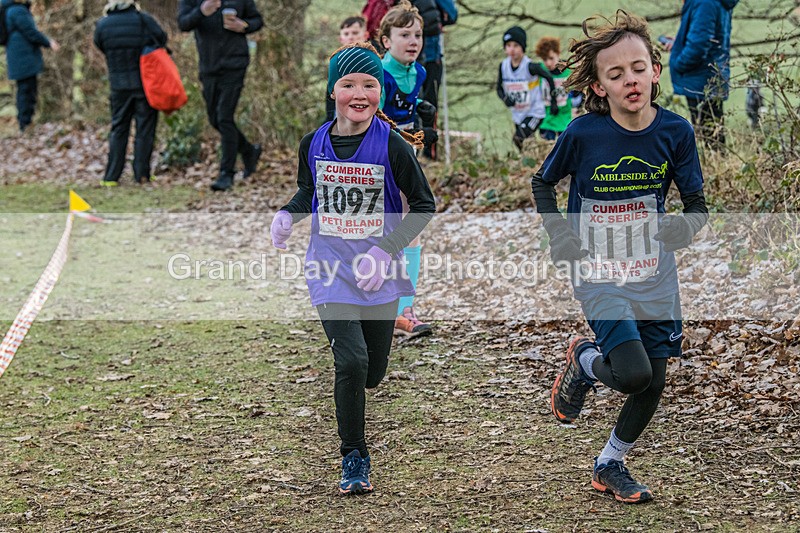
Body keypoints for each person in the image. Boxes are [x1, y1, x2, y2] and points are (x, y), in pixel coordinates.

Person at [531, 11, 708, 503]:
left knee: (653, 379)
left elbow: (697, 209)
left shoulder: (676, 132)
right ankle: (585, 361)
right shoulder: (584, 134)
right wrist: (560, 236)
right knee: (631, 374)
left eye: (637, 68)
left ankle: (610, 462)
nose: (629, 79)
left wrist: (680, 229)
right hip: (597, 271)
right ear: (599, 86)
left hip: (654, 276)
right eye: (615, 74)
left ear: (655, 70)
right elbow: (542, 182)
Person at [270, 42, 435, 494]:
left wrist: (385, 252)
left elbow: (424, 205)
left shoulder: (394, 146)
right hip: (328, 269)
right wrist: (288, 214)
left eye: (369, 84)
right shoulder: (314, 143)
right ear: (332, 91)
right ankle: (354, 456)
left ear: (380, 92)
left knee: (373, 372)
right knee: (352, 359)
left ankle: (358, 397)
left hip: (378, 273)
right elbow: (310, 193)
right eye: (348, 85)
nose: (359, 93)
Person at [379, 0, 436, 336]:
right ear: (387, 40)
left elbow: (409, 114)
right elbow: (375, 122)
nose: (414, 41)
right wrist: (415, 133)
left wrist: (422, 120)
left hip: (406, 159)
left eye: (418, 35)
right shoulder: (379, 74)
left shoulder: (421, 72)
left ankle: (404, 309)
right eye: (404, 35)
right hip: (376, 161)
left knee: (411, 229)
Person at [178, 0, 264, 191]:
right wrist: (202, 11)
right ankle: (249, 151)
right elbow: (183, 24)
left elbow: (257, 20)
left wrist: (245, 26)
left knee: (224, 117)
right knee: (215, 119)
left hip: (235, 63)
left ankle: (227, 173)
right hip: (208, 65)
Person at [94, 1, 167, 186]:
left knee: (119, 129)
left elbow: (100, 44)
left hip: (118, 85)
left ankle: (111, 176)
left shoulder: (103, 25)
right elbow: (162, 38)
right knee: (145, 130)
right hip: (145, 83)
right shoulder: (144, 20)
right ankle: (141, 174)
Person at [666, 0, 739, 149]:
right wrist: (679, 43)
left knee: (710, 138)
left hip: (699, 77)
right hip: (710, 74)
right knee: (712, 135)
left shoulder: (704, 2)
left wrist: (679, 63)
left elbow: (699, 44)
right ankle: (718, 166)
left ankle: (714, 167)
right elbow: (709, 36)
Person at [496, 26, 558, 150]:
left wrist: (553, 101)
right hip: (518, 113)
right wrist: (505, 99)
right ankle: (535, 160)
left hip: (535, 112)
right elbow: (499, 88)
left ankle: (539, 157)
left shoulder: (530, 66)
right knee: (525, 144)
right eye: (508, 45)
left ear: (523, 48)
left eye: (516, 46)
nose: (512, 49)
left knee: (519, 138)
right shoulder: (503, 66)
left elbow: (549, 78)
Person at [1, 0, 59, 133]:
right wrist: (48, 42)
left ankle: (25, 124)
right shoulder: (17, 11)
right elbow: (31, 32)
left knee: (25, 91)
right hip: (24, 58)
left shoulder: (9, 9)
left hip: (18, 57)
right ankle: (25, 125)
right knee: (27, 92)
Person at [410, 0, 457, 159]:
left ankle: (425, 152)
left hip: (417, 56)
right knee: (423, 103)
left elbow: (452, 15)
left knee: (421, 104)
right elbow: (452, 15)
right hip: (426, 56)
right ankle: (424, 152)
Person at [534, 36, 582, 141]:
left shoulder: (568, 70)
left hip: (565, 121)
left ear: (558, 54)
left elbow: (578, 92)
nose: (548, 63)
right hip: (547, 122)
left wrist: (577, 106)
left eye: (551, 58)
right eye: (544, 59)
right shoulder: (540, 70)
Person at [325, 16, 369, 123]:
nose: (350, 37)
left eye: (355, 33)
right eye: (346, 34)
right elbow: (330, 99)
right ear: (340, 39)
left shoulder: (372, 63)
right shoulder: (336, 64)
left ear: (365, 35)